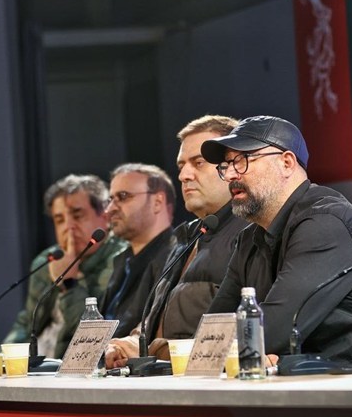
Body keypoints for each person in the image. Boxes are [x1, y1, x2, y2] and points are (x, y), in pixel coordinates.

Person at [202, 116, 352, 368]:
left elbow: (272, 331)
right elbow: (212, 334)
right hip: (323, 376)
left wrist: (241, 350)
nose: (230, 174)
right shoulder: (249, 239)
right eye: (226, 165)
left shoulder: (325, 223)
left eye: (242, 160)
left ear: (286, 163)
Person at [105, 115, 248, 368]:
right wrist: (128, 342)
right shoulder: (186, 238)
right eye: (181, 165)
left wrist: (154, 350)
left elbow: (249, 332)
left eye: (198, 162)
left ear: (234, 166)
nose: (184, 175)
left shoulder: (253, 233)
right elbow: (154, 320)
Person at [4, 174, 126, 358]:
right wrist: (4, 357)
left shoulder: (121, 259)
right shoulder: (46, 261)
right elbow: (28, 323)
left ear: (104, 216)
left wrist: (69, 284)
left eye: (77, 215)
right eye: (59, 220)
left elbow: (95, 337)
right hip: (37, 362)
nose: (68, 226)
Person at [101, 163, 177, 338]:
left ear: (157, 202)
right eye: (110, 200)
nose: (110, 209)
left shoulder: (177, 257)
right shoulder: (122, 260)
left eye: (123, 196)